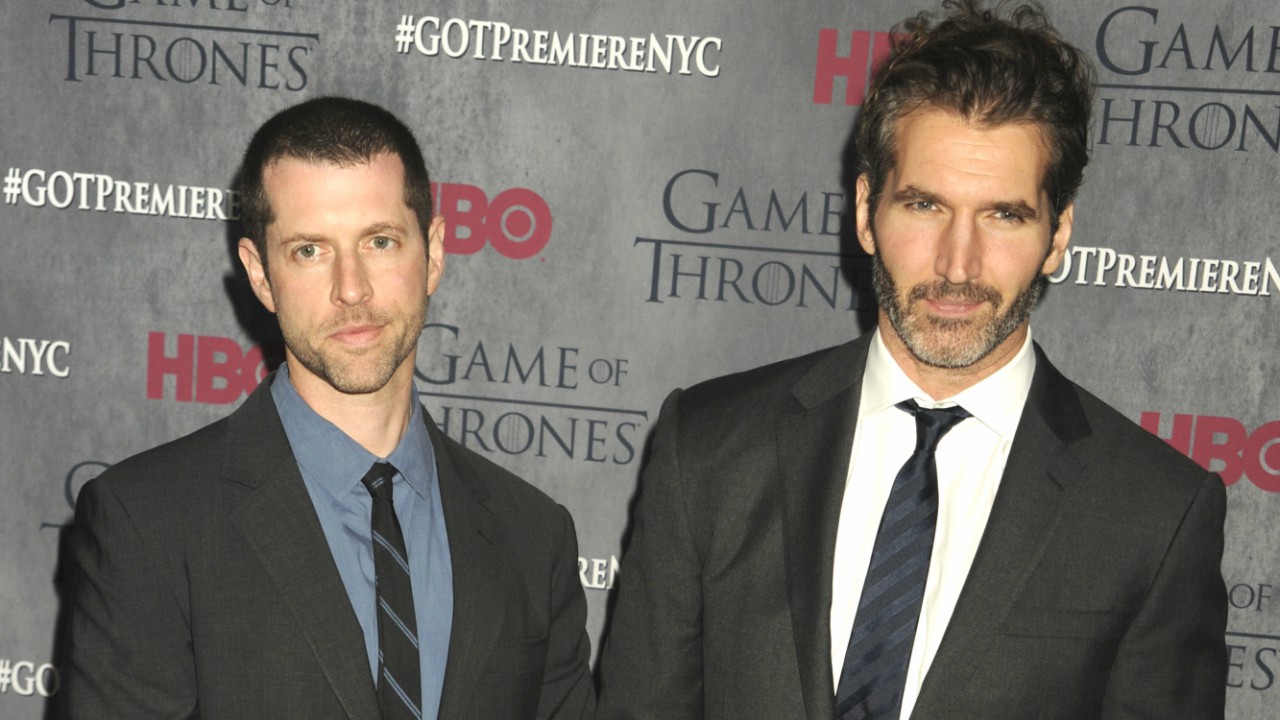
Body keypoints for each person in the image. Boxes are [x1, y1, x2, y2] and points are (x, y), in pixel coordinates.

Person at [596, 2, 1227, 719]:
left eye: (1003, 215)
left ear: (1058, 235)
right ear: (867, 211)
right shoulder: (708, 451)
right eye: (925, 206)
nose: (958, 265)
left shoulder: (1153, 512)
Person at [56, 97, 596, 720]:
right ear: (261, 275)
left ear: (435, 253)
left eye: (381, 241)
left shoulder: (534, 535)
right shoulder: (148, 522)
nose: (351, 287)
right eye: (309, 250)